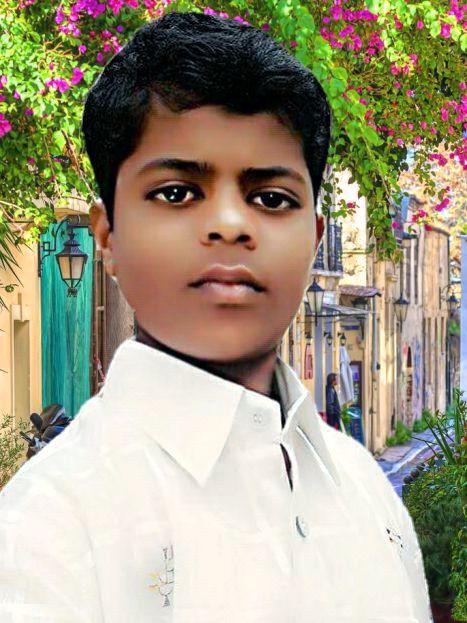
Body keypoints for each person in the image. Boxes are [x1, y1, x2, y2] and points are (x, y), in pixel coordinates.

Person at [0, 12, 432, 623]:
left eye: (270, 198)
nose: (230, 224)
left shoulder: (367, 492)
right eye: (176, 192)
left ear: (313, 239)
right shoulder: (46, 534)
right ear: (108, 236)